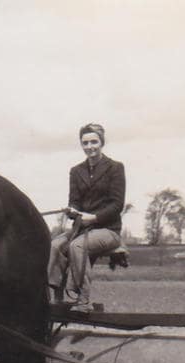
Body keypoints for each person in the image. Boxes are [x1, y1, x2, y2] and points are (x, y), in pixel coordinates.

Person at [48, 123, 126, 312]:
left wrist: (94, 217)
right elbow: (74, 201)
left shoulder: (115, 168)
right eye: (85, 143)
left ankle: (84, 300)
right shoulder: (76, 171)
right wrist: (71, 210)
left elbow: (117, 205)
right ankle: (55, 298)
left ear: (102, 143)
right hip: (82, 229)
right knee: (55, 245)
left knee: (77, 246)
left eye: (94, 142)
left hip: (107, 230)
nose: (90, 146)